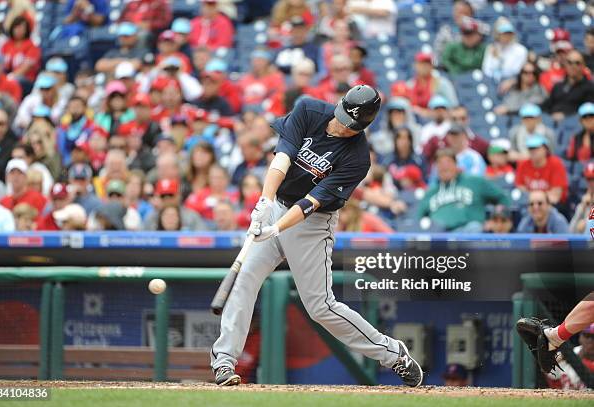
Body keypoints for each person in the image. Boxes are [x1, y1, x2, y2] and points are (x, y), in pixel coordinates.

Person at [210, 85, 423, 387]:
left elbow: (311, 203)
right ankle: (224, 361)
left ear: (364, 126)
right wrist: (265, 201)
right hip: (276, 204)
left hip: (311, 224)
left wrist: (277, 228)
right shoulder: (308, 110)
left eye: (351, 125)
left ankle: (392, 353)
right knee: (245, 279)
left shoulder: (358, 158)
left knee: (320, 306)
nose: (342, 127)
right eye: (342, 118)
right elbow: (282, 158)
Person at [417, 149, 510, 233]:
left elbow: (503, 198)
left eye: (448, 162)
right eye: (440, 163)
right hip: (439, 237)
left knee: (474, 227)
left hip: (468, 232)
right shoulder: (430, 192)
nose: (444, 167)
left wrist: (497, 218)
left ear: (456, 165)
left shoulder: (474, 182)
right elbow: (417, 219)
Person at [516, 292, 594, 374]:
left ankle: (553, 337)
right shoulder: (576, 351)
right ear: (580, 337)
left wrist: (574, 360)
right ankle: (553, 337)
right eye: (587, 336)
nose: (590, 341)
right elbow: (548, 372)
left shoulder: (575, 356)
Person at [541, 50, 594, 121]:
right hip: (551, 121)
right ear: (565, 64)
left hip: (575, 124)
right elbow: (546, 106)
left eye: (577, 63)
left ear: (583, 65)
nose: (573, 66)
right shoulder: (558, 86)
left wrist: (566, 115)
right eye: (569, 62)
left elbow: (588, 111)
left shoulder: (590, 87)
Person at [515, 135, 568, 205]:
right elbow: (520, 188)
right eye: (530, 148)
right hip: (529, 204)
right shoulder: (523, 164)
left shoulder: (556, 164)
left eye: (536, 148)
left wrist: (538, 198)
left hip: (552, 205)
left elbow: (555, 196)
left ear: (546, 149)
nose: (533, 151)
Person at [406, 52, 458, 116]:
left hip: (439, 121)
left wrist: (429, 113)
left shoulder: (442, 83)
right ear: (415, 65)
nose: (425, 66)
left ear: (432, 66)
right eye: (422, 63)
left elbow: (453, 107)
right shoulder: (410, 85)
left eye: (428, 63)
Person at [482, 19, 527, 84]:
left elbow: (516, 71)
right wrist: (495, 59)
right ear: (498, 35)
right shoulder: (491, 47)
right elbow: (486, 70)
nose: (507, 36)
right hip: (492, 82)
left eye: (509, 33)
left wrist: (499, 59)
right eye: (504, 34)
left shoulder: (521, 50)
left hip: (513, 83)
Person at [569, 162, 594, 234]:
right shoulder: (585, 201)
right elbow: (571, 230)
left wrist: (586, 222)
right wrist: (583, 206)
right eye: (589, 179)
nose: (591, 183)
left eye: (593, 179)